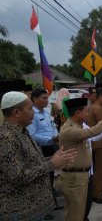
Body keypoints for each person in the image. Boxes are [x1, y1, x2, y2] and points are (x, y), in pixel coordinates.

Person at [0, 91, 76, 220]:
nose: (33, 112)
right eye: (30, 109)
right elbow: (18, 176)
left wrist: (52, 159)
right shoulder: (6, 138)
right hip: (20, 211)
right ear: (16, 112)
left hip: (33, 209)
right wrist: (51, 164)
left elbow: (31, 163)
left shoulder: (21, 131)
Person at [58, 97, 102, 221]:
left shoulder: (78, 126)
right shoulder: (70, 129)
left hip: (81, 176)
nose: (88, 114)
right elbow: (95, 131)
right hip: (74, 179)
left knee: (80, 213)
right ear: (78, 113)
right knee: (75, 215)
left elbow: (95, 134)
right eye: (86, 111)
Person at [27, 88, 61, 216]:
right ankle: (44, 210)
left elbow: (52, 128)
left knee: (50, 176)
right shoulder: (32, 115)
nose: (47, 100)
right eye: (44, 98)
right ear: (35, 99)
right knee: (43, 178)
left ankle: (50, 203)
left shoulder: (46, 113)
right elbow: (32, 135)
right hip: (41, 148)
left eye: (47, 98)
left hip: (51, 146)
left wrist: (56, 136)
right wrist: (51, 138)